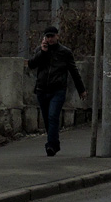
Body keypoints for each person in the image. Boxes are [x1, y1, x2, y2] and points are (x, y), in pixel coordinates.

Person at [27, 26, 87, 156]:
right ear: (44, 38)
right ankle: (54, 143)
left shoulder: (65, 52)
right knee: (47, 119)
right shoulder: (40, 51)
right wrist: (42, 52)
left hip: (57, 90)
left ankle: (51, 146)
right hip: (42, 90)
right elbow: (31, 65)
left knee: (53, 116)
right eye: (47, 37)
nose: (50, 39)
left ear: (57, 36)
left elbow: (73, 71)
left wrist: (81, 89)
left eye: (52, 36)